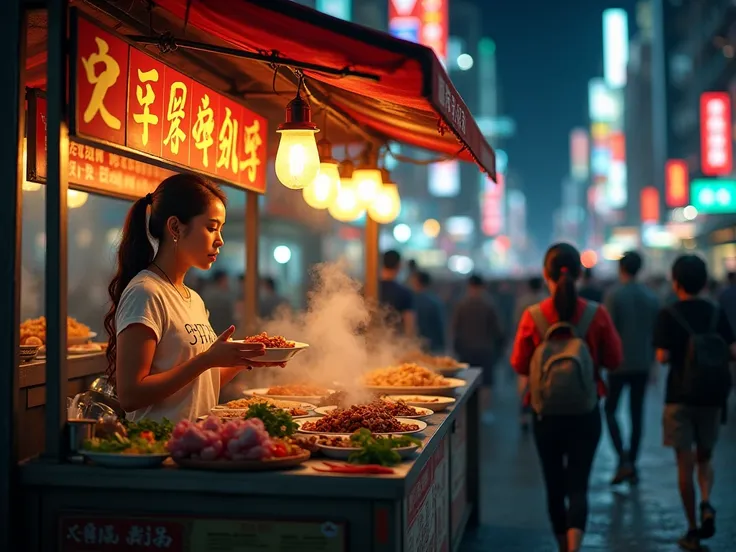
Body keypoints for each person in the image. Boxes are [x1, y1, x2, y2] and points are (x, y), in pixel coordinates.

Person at [103, 174, 281, 422]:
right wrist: (206, 359)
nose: (219, 240)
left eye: (220, 229)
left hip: (194, 446)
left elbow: (201, 384)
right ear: (175, 227)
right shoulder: (146, 292)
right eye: (211, 227)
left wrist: (244, 359)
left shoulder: (194, 298)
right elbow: (131, 395)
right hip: (157, 448)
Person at [511, 243, 622, 552]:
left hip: (545, 414)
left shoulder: (533, 316)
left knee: (554, 485)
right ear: (580, 274)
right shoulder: (596, 314)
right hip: (586, 413)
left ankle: (563, 546)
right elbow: (614, 360)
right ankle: (576, 547)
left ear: (546, 275)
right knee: (578, 486)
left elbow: (519, 364)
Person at [653, 254, 735, 551]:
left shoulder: (668, 314)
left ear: (676, 282)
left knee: (683, 464)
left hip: (679, 397)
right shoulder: (715, 312)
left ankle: (691, 529)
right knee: (705, 457)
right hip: (712, 396)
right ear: (704, 282)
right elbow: (732, 350)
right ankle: (706, 501)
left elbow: (662, 357)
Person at [603, 251, 660, 485]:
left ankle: (622, 458)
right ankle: (632, 463)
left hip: (618, 364)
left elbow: (608, 332)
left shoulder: (614, 295)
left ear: (621, 269)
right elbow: (655, 334)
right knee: (637, 414)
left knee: (610, 411)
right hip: (643, 363)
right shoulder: (651, 296)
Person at [452, 274, 503, 414]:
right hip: (485, 349)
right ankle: (484, 412)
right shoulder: (489, 304)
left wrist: (455, 347)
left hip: (466, 349)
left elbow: (455, 328)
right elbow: (497, 329)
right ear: (482, 286)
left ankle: (468, 413)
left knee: (465, 382)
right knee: (486, 383)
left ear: (469, 286)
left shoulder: (461, 304)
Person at [378, 250, 415, 336]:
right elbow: (409, 325)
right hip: (395, 344)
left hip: (370, 343)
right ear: (399, 265)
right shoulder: (404, 293)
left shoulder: (369, 289)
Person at [409, 270, 446, 353]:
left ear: (417, 282)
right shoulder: (436, 302)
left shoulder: (411, 300)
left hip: (415, 345)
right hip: (433, 345)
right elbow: (440, 326)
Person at [201, 270, 234, 335]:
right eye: (226, 280)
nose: (227, 283)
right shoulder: (224, 296)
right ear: (221, 280)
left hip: (208, 329)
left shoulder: (206, 292)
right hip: (220, 328)